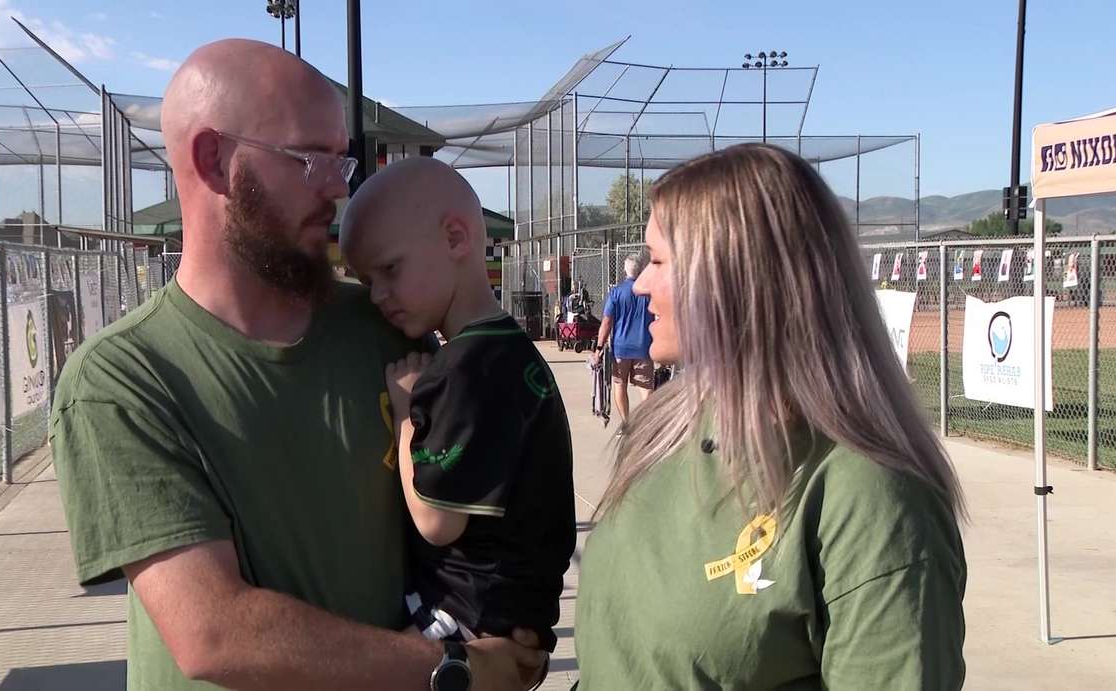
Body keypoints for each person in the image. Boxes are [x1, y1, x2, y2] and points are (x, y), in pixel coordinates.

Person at [48, 39, 543, 691]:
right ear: (213, 159)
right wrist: (454, 669)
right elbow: (213, 632)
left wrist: (508, 623)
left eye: (343, 159)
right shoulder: (123, 379)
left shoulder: (384, 329)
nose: (340, 187)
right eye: (311, 158)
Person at [574, 144, 967, 689]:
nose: (640, 285)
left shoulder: (871, 497)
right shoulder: (661, 429)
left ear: (736, 279)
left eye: (658, 261)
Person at [339, 158, 575, 672]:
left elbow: (436, 520)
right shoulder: (514, 352)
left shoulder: (461, 370)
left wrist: (405, 411)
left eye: (389, 270)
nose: (377, 295)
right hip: (512, 607)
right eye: (364, 280)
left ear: (454, 238)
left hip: (469, 612)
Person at [592, 256, 654, 422]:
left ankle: (626, 423)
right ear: (640, 270)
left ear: (625, 271)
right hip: (644, 346)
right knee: (646, 387)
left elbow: (606, 323)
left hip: (621, 348)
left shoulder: (616, 293)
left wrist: (599, 348)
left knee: (620, 384)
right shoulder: (649, 293)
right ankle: (646, 423)